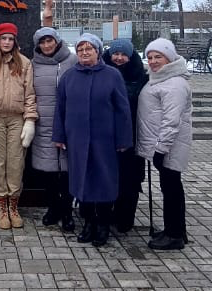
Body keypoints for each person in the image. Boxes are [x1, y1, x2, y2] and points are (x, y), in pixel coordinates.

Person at [52, 33, 134, 249]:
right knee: (82, 181)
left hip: (104, 139)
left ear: (98, 52)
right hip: (77, 139)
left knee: (104, 181)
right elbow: (60, 109)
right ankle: (88, 222)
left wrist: (124, 138)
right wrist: (59, 135)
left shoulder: (112, 75)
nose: (85, 53)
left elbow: (122, 110)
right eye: (80, 50)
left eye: (89, 49)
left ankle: (103, 224)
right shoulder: (69, 77)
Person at [0, 22, 38, 229]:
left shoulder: (24, 63)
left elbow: (30, 95)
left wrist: (30, 120)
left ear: (15, 41)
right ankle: (1, 207)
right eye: (3, 38)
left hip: (17, 120)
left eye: (10, 39)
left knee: (16, 163)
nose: (7, 42)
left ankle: (13, 206)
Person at [136, 38, 193, 252]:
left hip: (169, 146)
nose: (152, 61)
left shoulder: (175, 84)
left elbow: (172, 120)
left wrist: (160, 149)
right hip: (164, 145)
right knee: (171, 187)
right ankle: (176, 229)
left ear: (169, 57)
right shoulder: (161, 79)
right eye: (150, 57)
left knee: (171, 189)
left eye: (158, 57)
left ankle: (174, 235)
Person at [30, 26, 77, 232]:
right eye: (42, 42)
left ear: (57, 41)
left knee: (67, 172)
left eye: (50, 41)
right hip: (43, 125)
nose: (47, 45)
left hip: (69, 124)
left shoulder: (72, 61)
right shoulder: (32, 65)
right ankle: (53, 208)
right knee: (48, 171)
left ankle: (67, 211)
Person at [104, 39, 149, 232]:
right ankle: (106, 212)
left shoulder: (140, 77)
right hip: (106, 132)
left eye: (123, 55)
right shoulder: (101, 71)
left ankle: (125, 216)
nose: (119, 58)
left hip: (131, 133)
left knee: (129, 177)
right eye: (116, 54)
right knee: (108, 174)